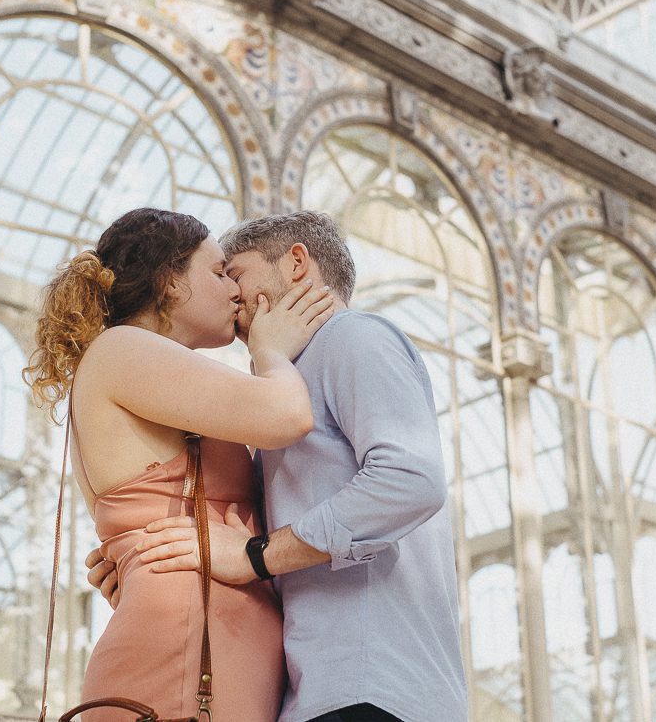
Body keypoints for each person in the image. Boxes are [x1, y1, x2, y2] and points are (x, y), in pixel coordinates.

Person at [89, 211, 468, 722]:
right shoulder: (281, 381)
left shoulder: (353, 338)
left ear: (295, 265)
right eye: (219, 275)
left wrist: (254, 555)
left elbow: (411, 481)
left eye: (236, 273)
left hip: (370, 683)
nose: (231, 292)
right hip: (309, 690)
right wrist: (137, 553)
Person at [24, 207, 335, 722]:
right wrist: (272, 352)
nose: (235, 290)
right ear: (169, 280)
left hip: (205, 662)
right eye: (218, 273)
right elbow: (288, 415)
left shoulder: (142, 367)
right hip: (183, 671)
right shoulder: (123, 348)